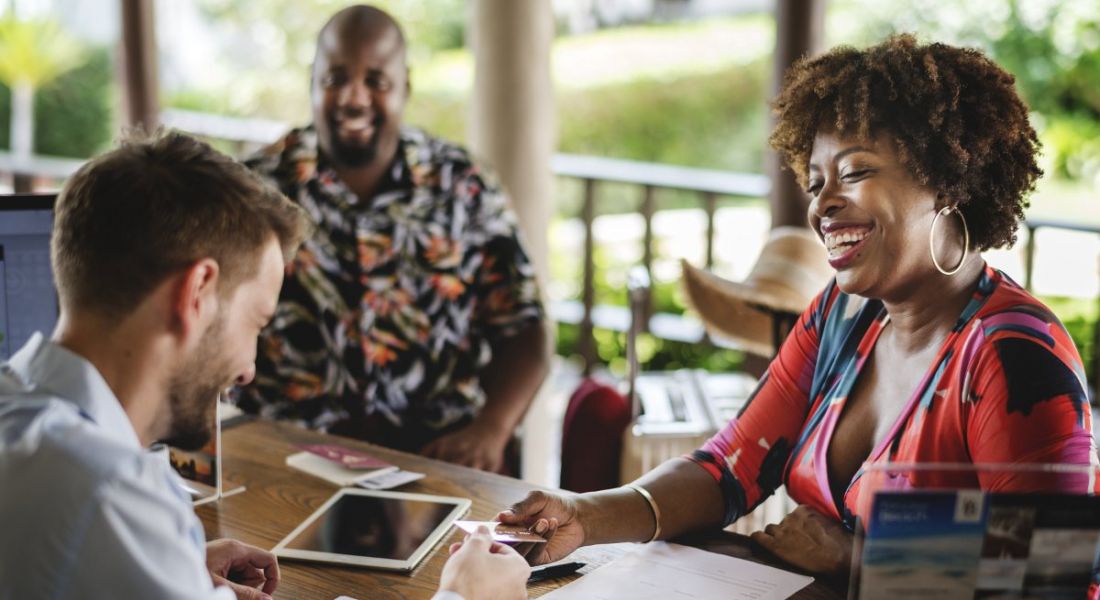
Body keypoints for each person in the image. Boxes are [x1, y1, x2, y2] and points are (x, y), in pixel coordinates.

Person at [498, 34, 1098, 581]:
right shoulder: (841, 316)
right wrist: (584, 514)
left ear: (947, 181)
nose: (823, 205)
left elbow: (1059, 565)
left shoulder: (1014, 355)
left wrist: (857, 556)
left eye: (855, 171)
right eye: (815, 182)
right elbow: (728, 467)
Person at [0, 130, 529, 600]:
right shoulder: (109, 496)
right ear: (197, 293)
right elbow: (96, 519)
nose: (250, 370)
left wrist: (173, 569)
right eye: (256, 322)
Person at [236, 4, 549, 474]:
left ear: (406, 85)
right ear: (312, 80)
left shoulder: (463, 185)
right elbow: (211, 325)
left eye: (376, 81)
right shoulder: (255, 192)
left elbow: (526, 330)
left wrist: (492, 430)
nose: (353, 98)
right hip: (288, 460)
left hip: (435, 458)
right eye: (335, 78)